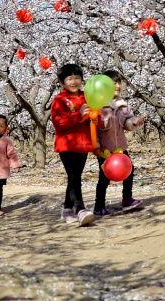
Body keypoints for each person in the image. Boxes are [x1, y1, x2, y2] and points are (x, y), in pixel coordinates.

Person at [92, 71, 145, 216]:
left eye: (119, 82)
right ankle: (99, 206)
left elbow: (127, 123)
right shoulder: (99, 106)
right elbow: (93, 129)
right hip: (105, 150)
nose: (117, 86)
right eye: (113, 83)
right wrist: (96, 146)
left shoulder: (123, 106)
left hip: (121, 148)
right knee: (104, 178)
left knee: (129, 171)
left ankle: (127, 199)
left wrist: (134, 122)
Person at [50, 63, 95, 226]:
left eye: (77, 78)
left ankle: (67, 209)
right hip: (67, 145)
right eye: (70, 78)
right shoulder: (60, 100)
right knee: (74, 177)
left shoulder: (87, 96)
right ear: (62, 82)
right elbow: (58, 122)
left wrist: (94, 118)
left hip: (83, 144)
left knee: (74, 178)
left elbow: (92, 116)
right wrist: (78, 115)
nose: (74, 81)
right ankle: (80, 209)